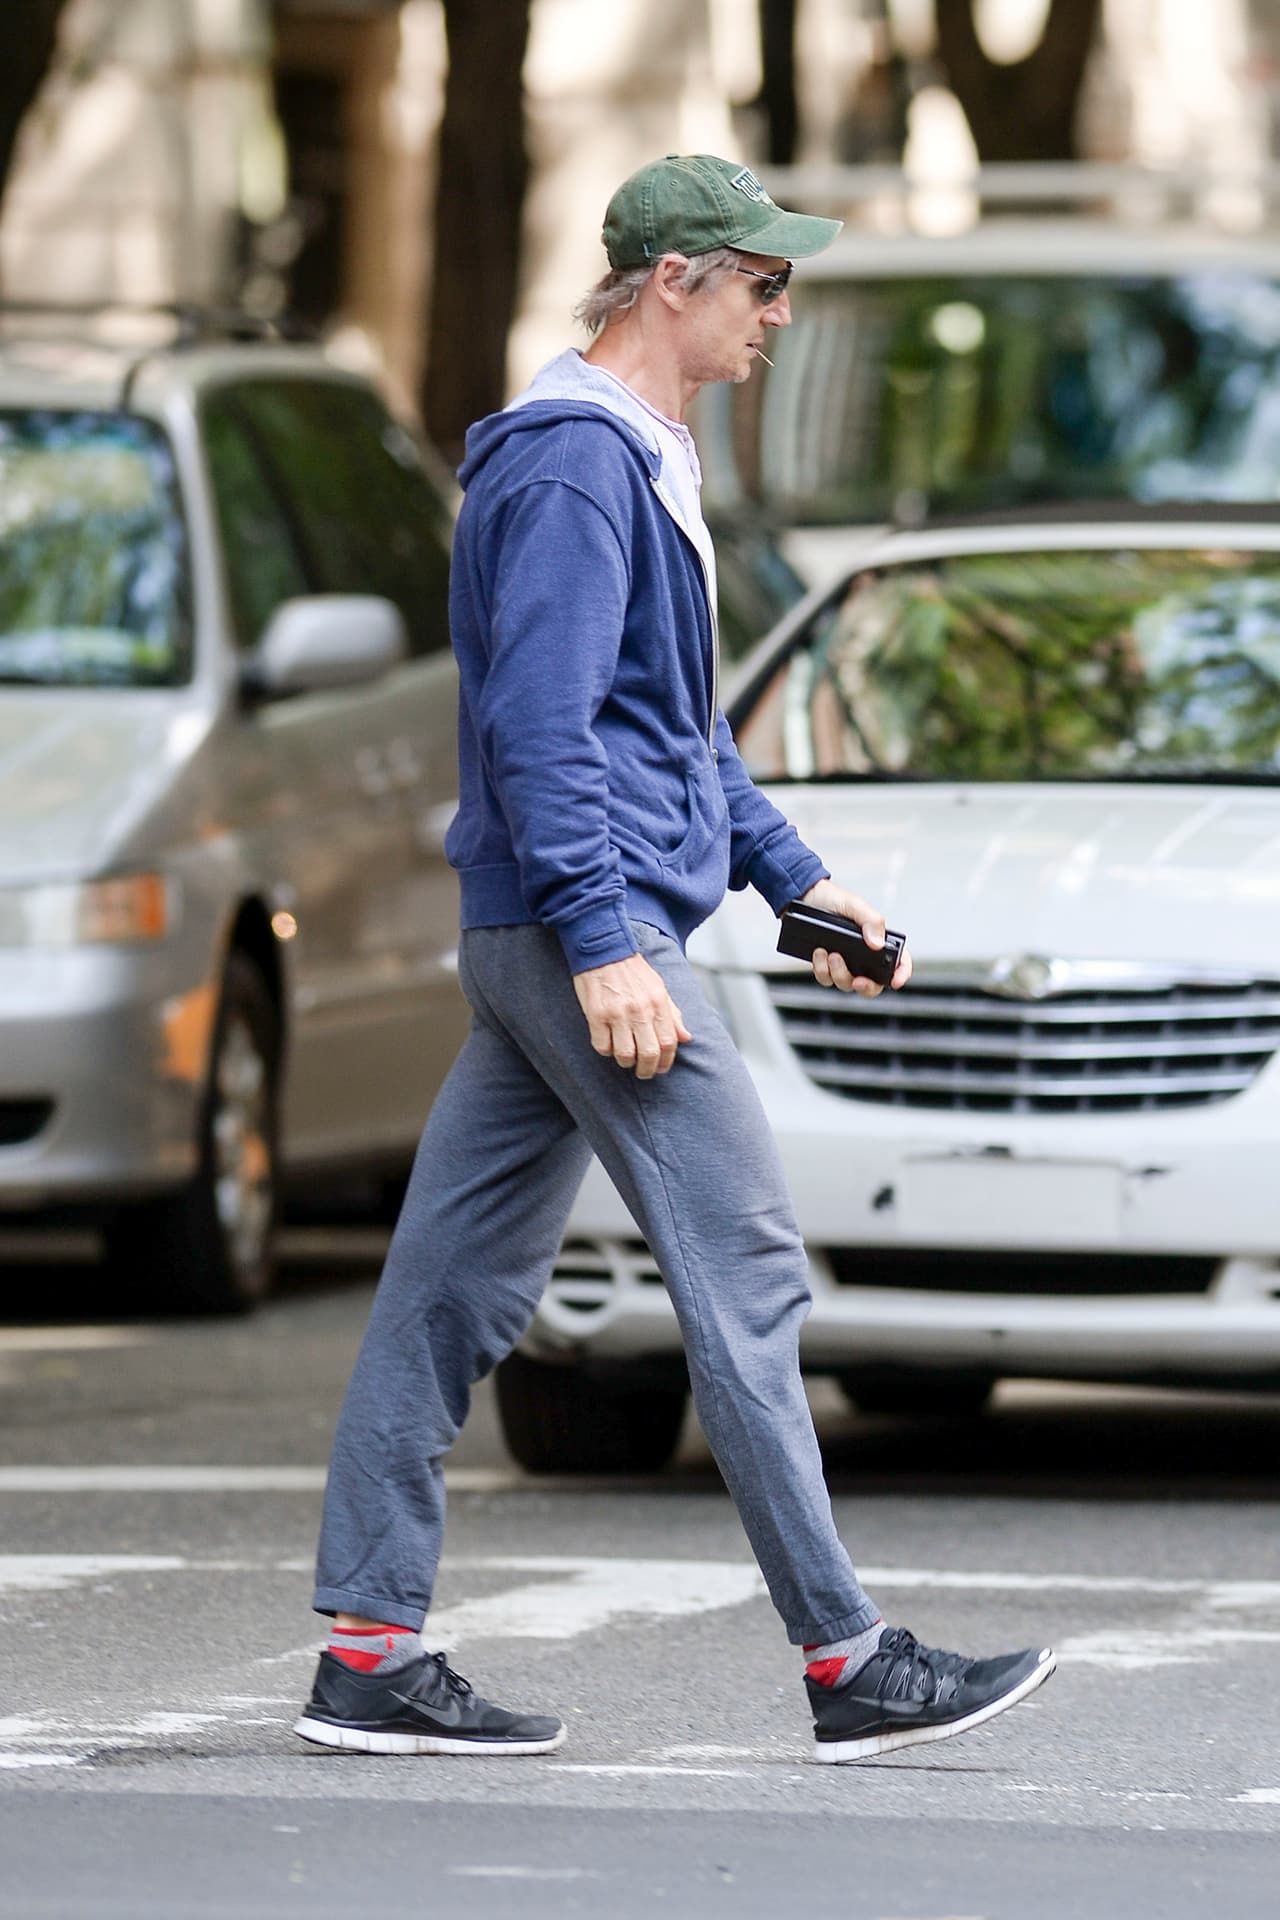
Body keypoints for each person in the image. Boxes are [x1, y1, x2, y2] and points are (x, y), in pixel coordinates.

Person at [294, 154, 1056, 1765]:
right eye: (762, 284)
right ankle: (849, 1663)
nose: (781, 312)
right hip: (588, 931)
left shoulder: (640, 458)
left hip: (555, 928)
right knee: (751, 1271)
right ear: (674, 283)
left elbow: (672, 733)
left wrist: (798, 885)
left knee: (446, 1288)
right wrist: (605, 942)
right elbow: (540, 728)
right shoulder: (577, 469)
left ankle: (368, 1650)